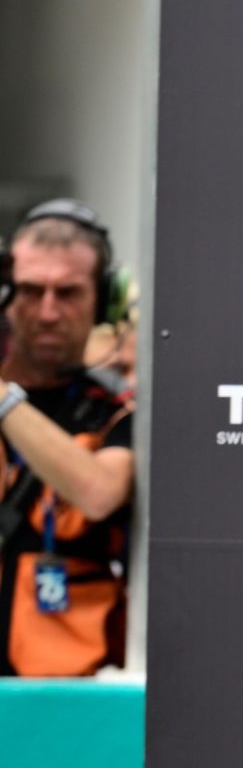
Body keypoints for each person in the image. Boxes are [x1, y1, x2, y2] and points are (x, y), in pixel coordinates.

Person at [0, 199, 135, 676]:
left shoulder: (119, 412)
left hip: (60, 693)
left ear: (103, 300)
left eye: (69, 292)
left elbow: (98, 492)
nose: (48, 311)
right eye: (30, 290)